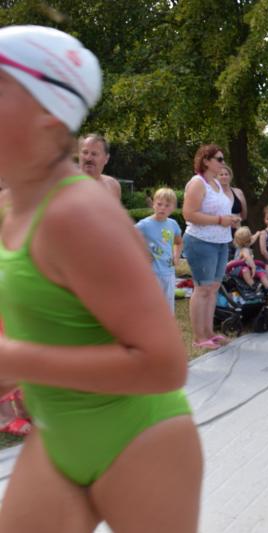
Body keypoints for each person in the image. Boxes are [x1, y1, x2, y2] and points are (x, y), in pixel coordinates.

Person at [0, 25, 201, 531]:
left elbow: (164, 365)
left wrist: (15, 359)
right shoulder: (11, 210)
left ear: (47, 116)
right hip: (56, 438)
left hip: (139, 440)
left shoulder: (78, 213)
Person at [183, 144, 238, 349]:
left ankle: (209, 333)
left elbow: (219, 212)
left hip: (221, 242)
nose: (223, 163)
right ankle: (199, 338)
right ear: (206, 161)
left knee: (213, 288)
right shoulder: (198, 183)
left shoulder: (216, 183)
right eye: (219, 159)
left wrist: (230, 219)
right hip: (201, 241)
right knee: (202, 288)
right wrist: (220, 220)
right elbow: (189, 214)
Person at [135, 187, 183, 314]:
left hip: (168, 273)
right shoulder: (144, 224)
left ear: (173, 208)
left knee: (168, 307)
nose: (162, 208)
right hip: (151, 274)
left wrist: (176, 256)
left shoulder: (173, 224)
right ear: (153, 204)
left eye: (167, 205)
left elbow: (179, 242)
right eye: (159, 204)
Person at [78, 133, 122, 200]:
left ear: (106, 159)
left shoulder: (113, 186)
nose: (88, 158)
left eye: (94, 154)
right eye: (85, 152)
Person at [230, 226, 268, 292]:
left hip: (248, 266)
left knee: (261, 272)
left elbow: (253, 239)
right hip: (239, 268)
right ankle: (253, 285)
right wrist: (253, 267)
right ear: (248, 239)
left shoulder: (245, 244)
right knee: (246, 271)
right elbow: (248, 258)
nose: (251, 238)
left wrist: (257, 234)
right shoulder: (243, 249)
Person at [218, 163, 247, 232]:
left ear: (230, 176)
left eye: (226, 174)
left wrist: (238, 219)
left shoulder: (238, 192)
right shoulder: (214, 193)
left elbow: (244, 216)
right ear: (216, 177)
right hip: (219, 231)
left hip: (237, 231)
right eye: (221, 174)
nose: (224, 176)